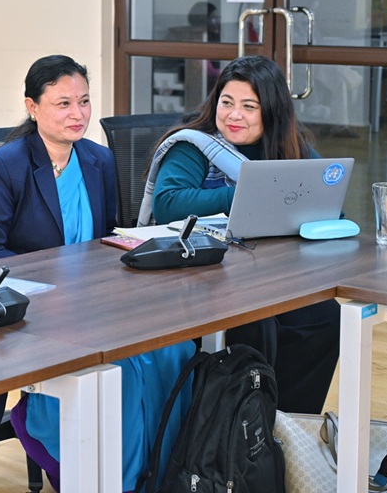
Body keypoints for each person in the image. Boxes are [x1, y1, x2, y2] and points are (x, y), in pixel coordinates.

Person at [0, 56, 193, 493]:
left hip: (94, 303)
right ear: (32, 107)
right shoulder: (7, 164)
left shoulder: (99, 160)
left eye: (85, 102)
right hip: (36, 308)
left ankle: (160, 474)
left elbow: (106, 236)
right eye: (63, 104)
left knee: (173, 349)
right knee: (123, 371)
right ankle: (98, 470)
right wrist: (57, 281)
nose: (78, 115)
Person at [138, 54, 340, 413]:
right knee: (256, 320)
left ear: (271, 112)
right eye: (226, 102)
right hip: (202, 276)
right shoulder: (195, 144)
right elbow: (168, 202)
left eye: (249, 106)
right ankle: (242, 431)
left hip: (270, 273)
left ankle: (285, 424)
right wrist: (251, 192)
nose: (234, 114)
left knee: (324, 316)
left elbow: (325, 204)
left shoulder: (289, 146)